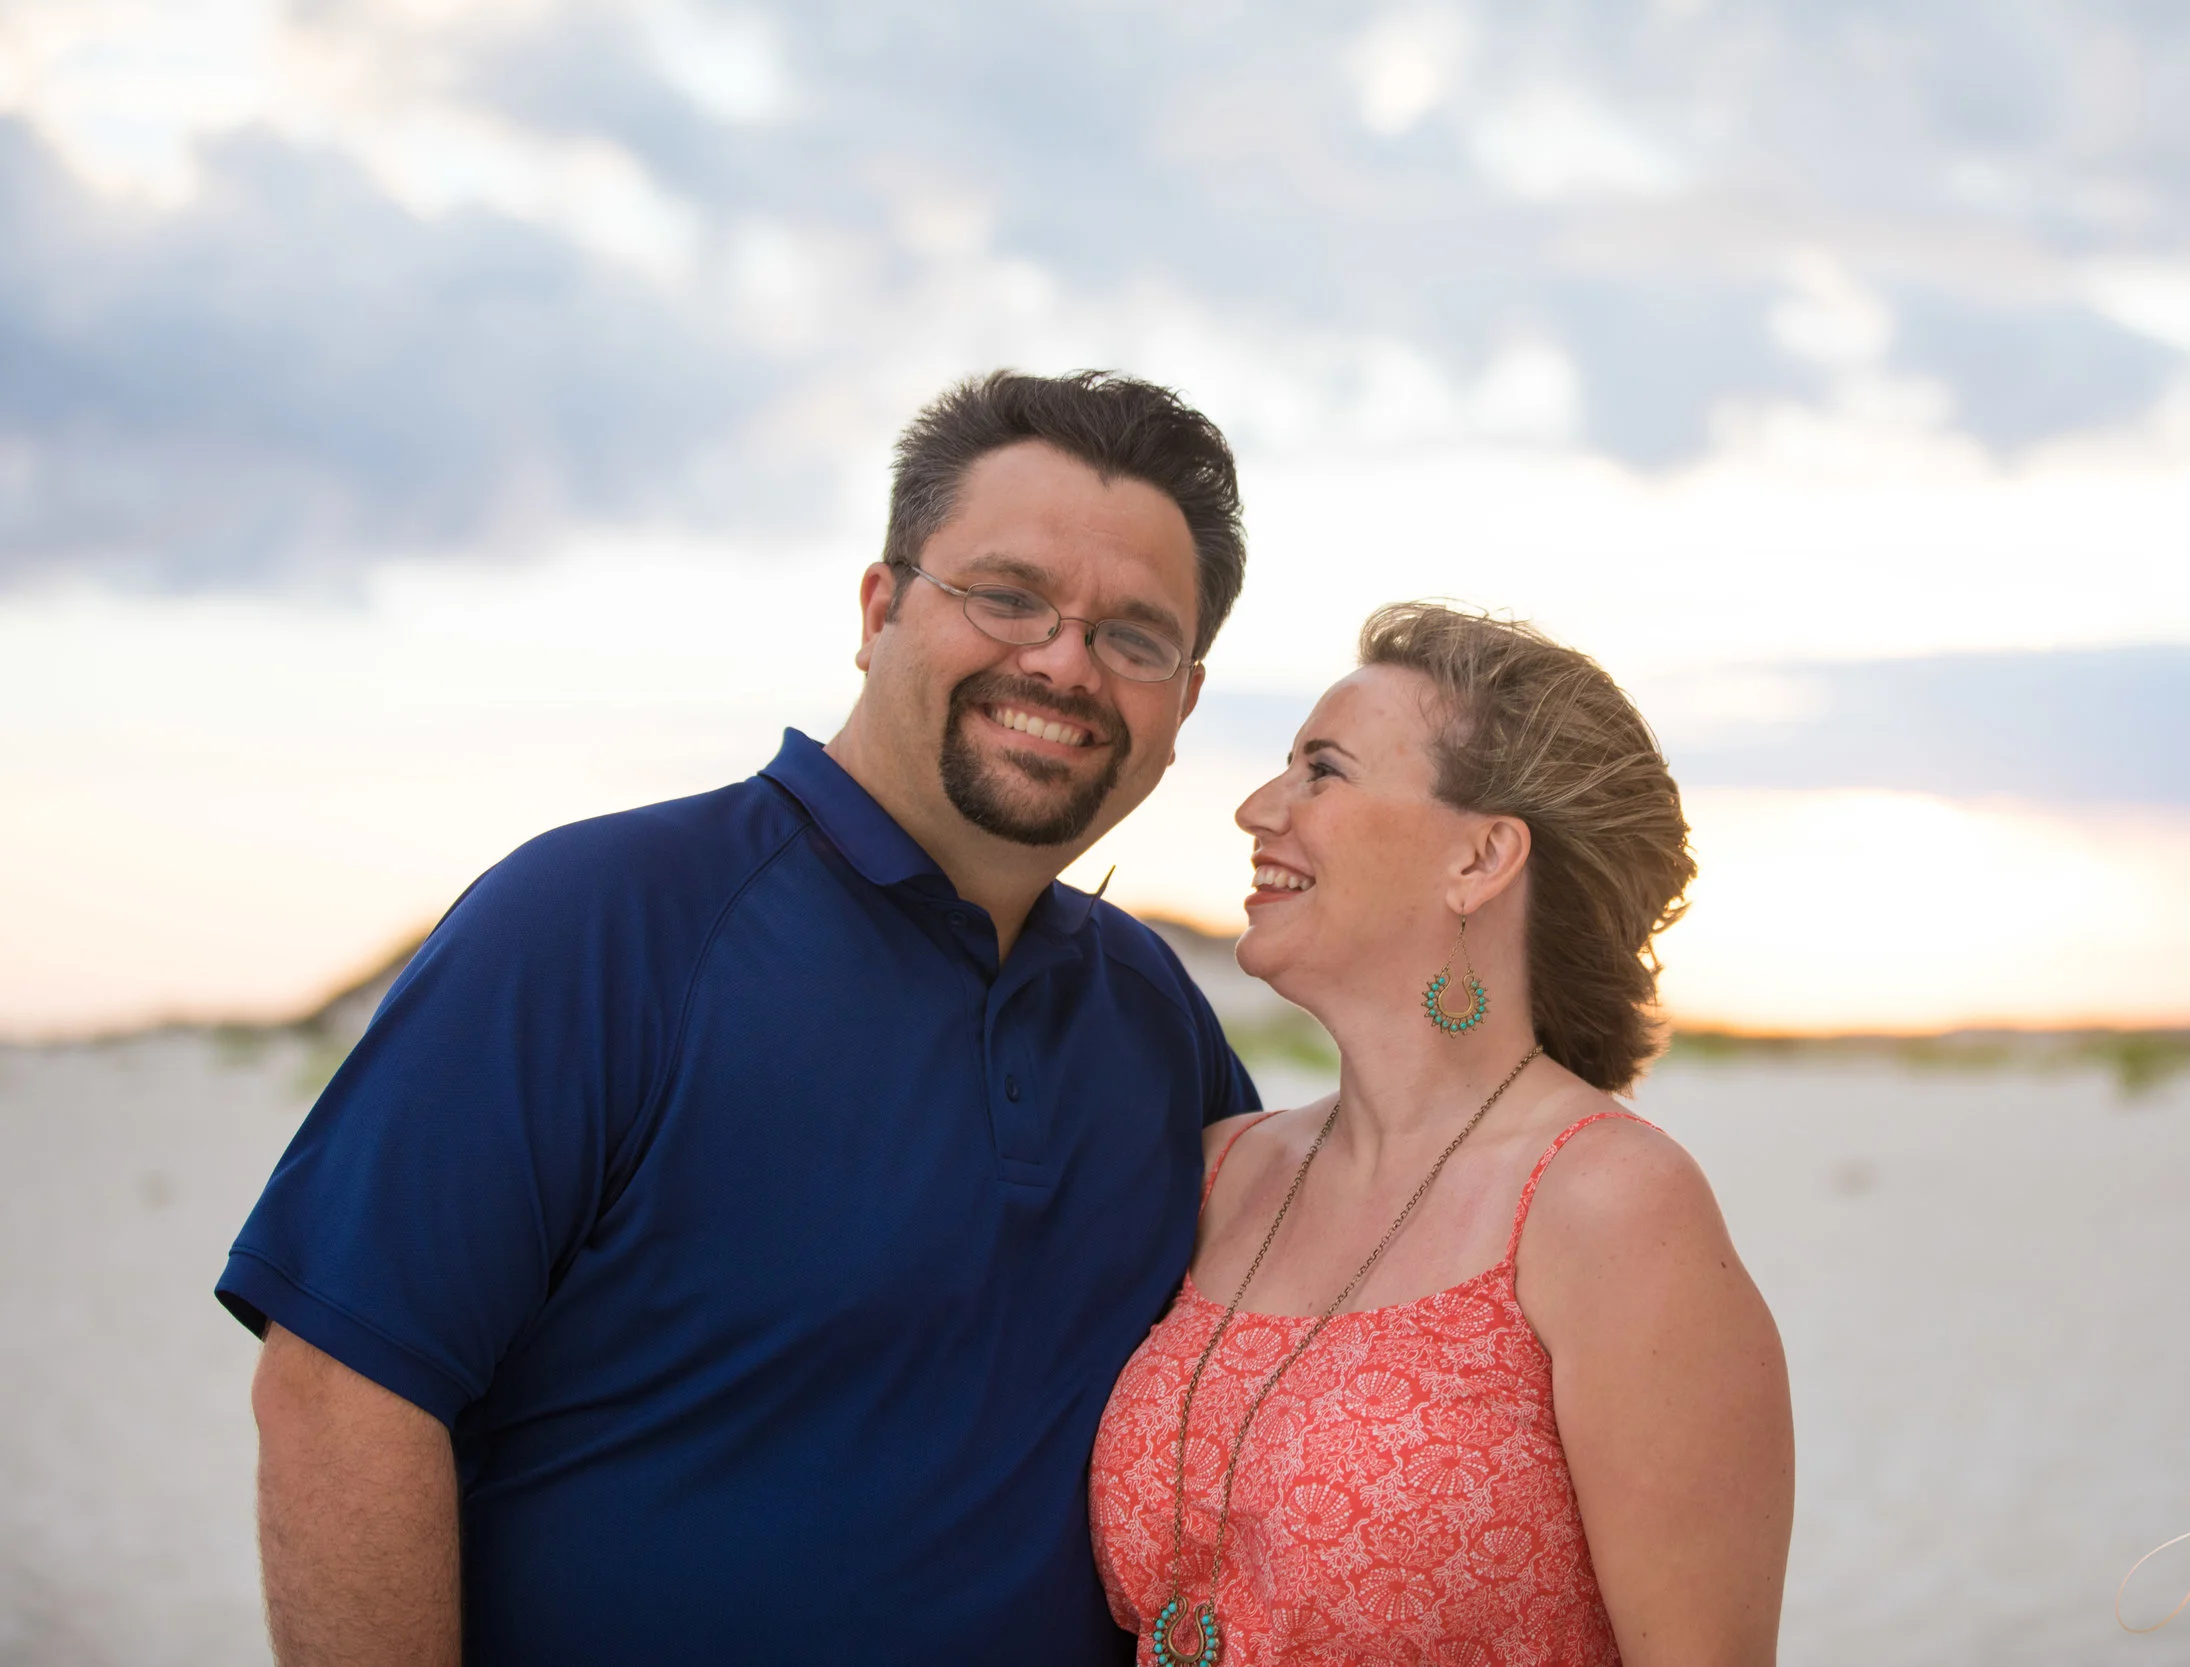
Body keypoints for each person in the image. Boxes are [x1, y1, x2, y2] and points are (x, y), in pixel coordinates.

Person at [218, 370, 1263, 1666]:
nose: (1063, 659)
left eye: (1135, 635)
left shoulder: (1155, 1014)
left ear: (1186, 701)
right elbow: (338, 1393)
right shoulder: (594, 920)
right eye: (1007, 595)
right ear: (880, 609)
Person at [1091, 603, 1795, 1666]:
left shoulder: (1607, 1204)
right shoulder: (1222, 1172)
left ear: (1481, 856)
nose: (1254, 806)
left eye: (1321, 769)